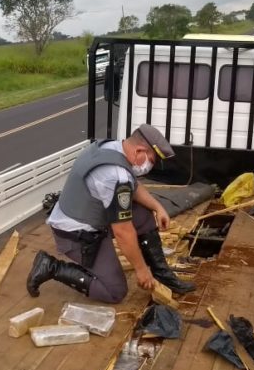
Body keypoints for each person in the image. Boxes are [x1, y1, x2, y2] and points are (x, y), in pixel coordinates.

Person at [27, 124, 195, 303]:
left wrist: (157, 207)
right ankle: (52, 267)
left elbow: (134, 186)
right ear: (139, 151)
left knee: (143, 214)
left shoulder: (113, 148)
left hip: (91, 216)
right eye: (151, 161)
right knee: (115, 291)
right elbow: (123, 232)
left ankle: (162, 274)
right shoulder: (114, 176)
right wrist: (140, 269)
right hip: (76, 235)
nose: (150, 167)